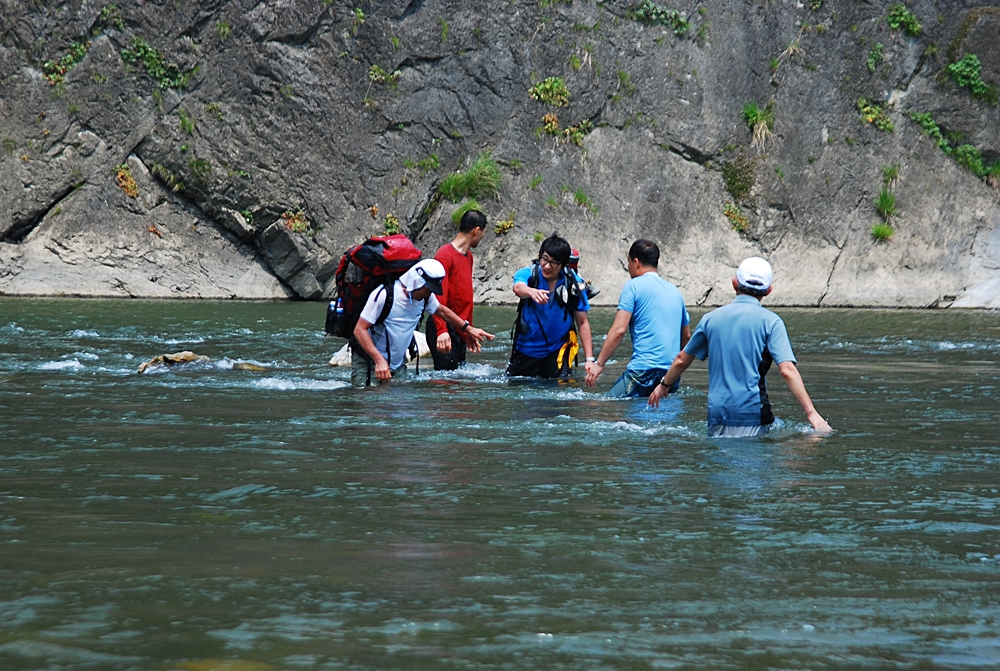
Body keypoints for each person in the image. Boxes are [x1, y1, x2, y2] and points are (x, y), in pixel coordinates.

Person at [648, 257, 832, 436]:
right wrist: (811, 413)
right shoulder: (771, 322)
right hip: (752, 412)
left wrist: (664, 385)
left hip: (717, 413)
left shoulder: (710, 319)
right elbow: (787, 370)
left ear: (734, 283)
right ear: (768, 290)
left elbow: (681, 359)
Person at [352, 259, 494, 387]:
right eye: (428, 288)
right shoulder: (385, 294)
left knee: (400, 409)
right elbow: (359, 329)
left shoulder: (425, 298)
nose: (429, 293)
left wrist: (468, 328)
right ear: (416, 280)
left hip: (397, 365)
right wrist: (379, 360)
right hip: (369, 363)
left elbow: (442, 311)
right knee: (369, 407)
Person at [585, 240, 690, 397]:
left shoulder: (633, 286)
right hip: (670, 375)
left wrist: (599, 364)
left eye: (628, 262)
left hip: (642, 372)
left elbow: (619, 330)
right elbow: (686, 336)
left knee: (604, 404)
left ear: (636, 262)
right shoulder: (675, 292)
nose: (628, 268)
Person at [508, 233, 595, 378]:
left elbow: (583, 321)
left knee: (557, 396)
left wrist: (589, 359)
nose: (547, 266)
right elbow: (518, 287)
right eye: (545, 259)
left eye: (554, 262)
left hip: (558, 352)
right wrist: (531, 292)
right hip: (526, 349)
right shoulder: (530, 273)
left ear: (563, 264)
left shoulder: (574, 283)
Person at [427, 209, 487, 371]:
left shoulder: (468, 256)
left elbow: (464, 297)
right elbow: (437, 298)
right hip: (444, 326)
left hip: (460, 327)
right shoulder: (445, 255)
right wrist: (441, 331)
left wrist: (469, 331)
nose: (482, 238)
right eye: (483, 233)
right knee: (446, 383)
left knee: (458, 381)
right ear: (477, 230)